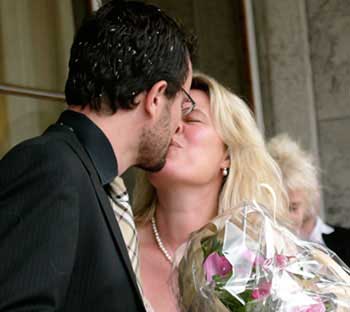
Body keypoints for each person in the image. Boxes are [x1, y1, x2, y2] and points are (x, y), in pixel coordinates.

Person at [0, 1, 195, 311]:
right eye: (184, 103)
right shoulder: (52, 168)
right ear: (156, 97)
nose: (181, 124)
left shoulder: (89, 180)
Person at [130, 72, 289, 311]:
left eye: (192, 119)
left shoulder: (265, 258)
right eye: (166, 118)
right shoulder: (114, 244)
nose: (173, 127)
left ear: (227, 154)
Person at [268, 134, 350, 266]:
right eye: (277, 208)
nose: (285, 217)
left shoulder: (346, 241)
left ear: (310, 196)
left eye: (292, 207)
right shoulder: (265, 251)